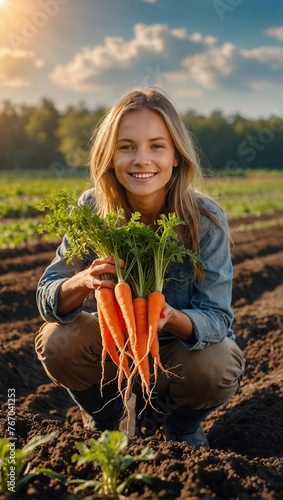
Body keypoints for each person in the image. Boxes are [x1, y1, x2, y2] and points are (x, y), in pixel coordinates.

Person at [35, 87, 245, 448]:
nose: (141, 159)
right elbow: (46, 296)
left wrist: (170, 317)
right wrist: (82, 281)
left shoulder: (205, 219)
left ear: (177, 156)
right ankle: (106, 419)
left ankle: (179, 426)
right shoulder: (91, 208)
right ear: (110, 155)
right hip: (112, 349)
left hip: (176, 354)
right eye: (127, 146)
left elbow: (217, 317)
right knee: (58, 342)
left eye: (157, 146)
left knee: (219, 364)